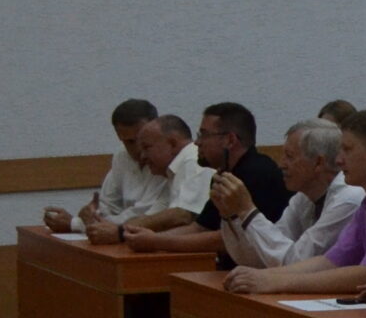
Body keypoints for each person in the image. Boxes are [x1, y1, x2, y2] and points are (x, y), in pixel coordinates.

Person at [221, 110, 366, 295]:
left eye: (347, 150)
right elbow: (330, 261)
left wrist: (273, 280)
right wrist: (263, 276)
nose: (338, 160)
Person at [117, 103, 286, 261]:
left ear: (230, 140)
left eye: (204, 135)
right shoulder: (222, 175)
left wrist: (156, 242)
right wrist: (145, 236)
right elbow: (201, 227)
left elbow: (227, 239)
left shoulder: (259, 173)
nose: (197, 142)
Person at [219, 119, 362, 270]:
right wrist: (231, 215)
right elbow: (261, 258)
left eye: (289, 156)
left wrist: (247, 210)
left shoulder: (348, 200)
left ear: (318, 162)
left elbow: (296, 264)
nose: (281, 164)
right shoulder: (303, 198)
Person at [47, 99, 168, 233]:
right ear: (119, 136)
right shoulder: (121, 155)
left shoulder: (164, 159)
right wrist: (91, 214)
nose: (138, 149)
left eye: (142, 140)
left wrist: (76, 224)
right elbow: (107, 205)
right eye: (129, 142)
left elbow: (144, 215)